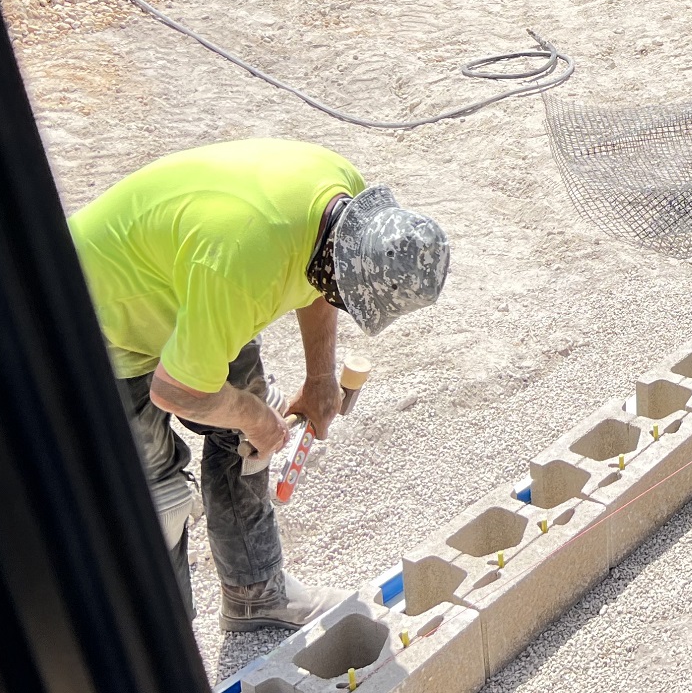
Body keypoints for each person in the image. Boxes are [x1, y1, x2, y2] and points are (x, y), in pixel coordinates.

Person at [70, 138, 449, 630]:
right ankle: (169, 657)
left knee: (248, 440)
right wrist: (253, 415)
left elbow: (319, 275)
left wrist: (318, 379)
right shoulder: (240, 263)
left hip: (192, 289)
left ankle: (254, 592)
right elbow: (173, 390)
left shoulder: (343, 204)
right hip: (94, 318)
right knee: (155, 499)